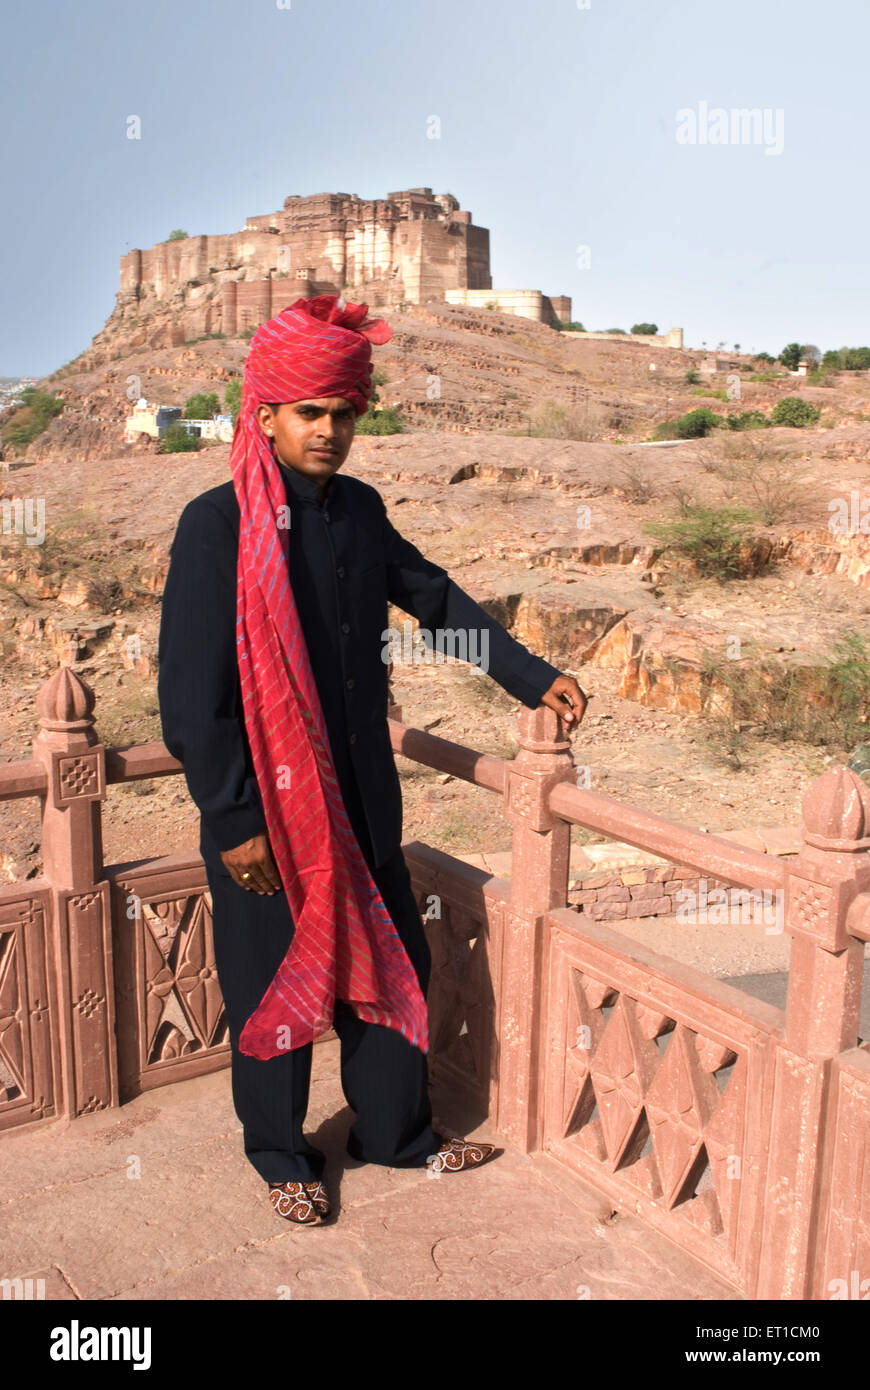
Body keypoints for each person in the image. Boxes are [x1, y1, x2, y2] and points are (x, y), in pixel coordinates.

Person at [157, 295, 587, 1227]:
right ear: (264, 415)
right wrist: (233, 821)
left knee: (390, 966)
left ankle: (397, 1136)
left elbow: (431, 597)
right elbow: (192, 700)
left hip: (362, 803)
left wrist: (528, 675)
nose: (331, 430)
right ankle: (279, 1154)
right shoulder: (215, 525)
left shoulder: (357, 511)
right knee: (271, 981)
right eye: (311, 411)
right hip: (266, 819)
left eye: (345, 412)